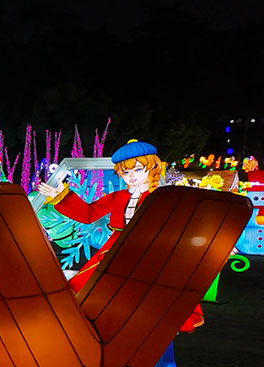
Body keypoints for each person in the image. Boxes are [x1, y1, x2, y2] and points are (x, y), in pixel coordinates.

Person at [37, 139, 203, 332]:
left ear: (153, 167)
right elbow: (88, 214)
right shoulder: (118, 197)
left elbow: (177, 225)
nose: (131, 176)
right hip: (115, 249)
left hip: (149, 251)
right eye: (125, 172)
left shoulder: (161, 198)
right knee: (95, 288)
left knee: (150, 293)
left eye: (138, 170)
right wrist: (63, 196)